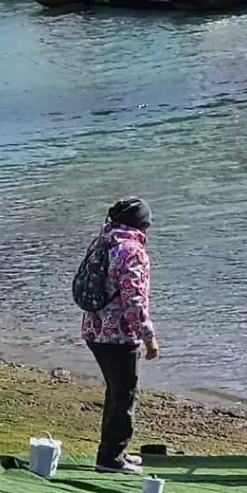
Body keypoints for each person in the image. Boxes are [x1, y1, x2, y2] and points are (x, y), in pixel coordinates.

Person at [80, 197, 160, 475]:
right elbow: (134, 299)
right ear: (141, 225)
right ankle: (111, 459)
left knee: (116, 391)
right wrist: (148, 337)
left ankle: (114, 450)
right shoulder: (132, 250)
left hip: (93, 329)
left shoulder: (102, 242)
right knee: (124, 394)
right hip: (119, 335)